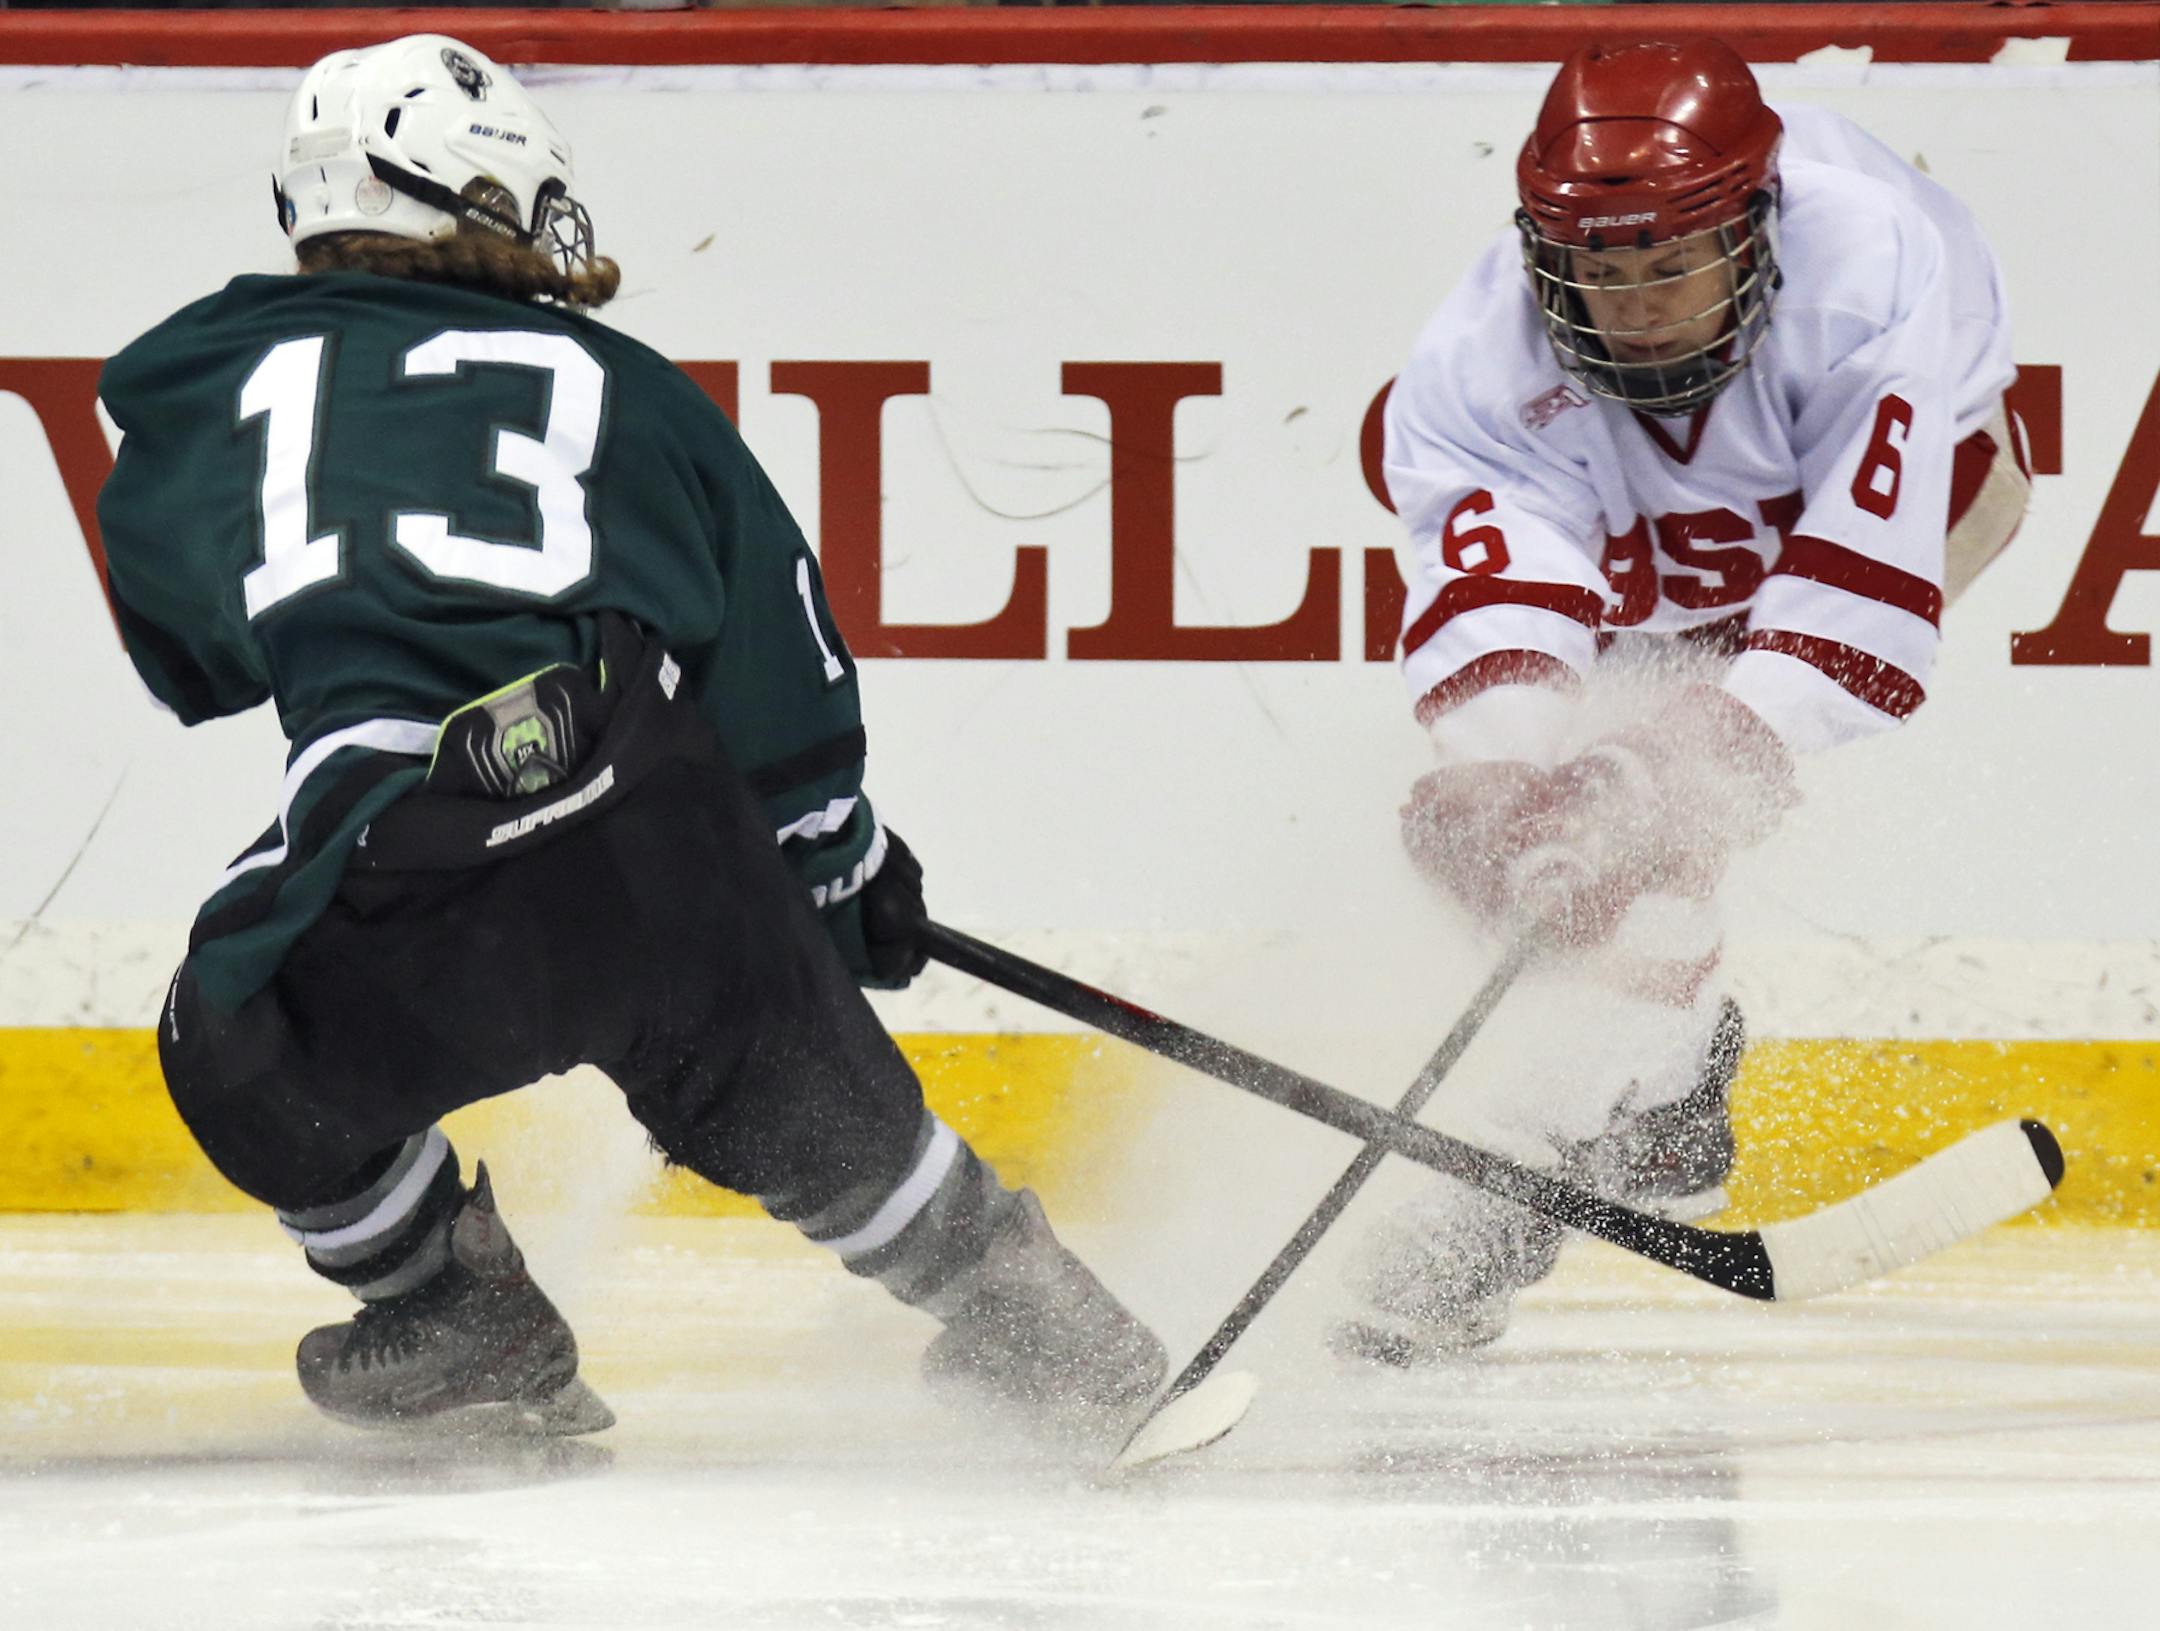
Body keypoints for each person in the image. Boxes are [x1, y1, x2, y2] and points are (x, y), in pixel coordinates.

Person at [96, 34, 1165, 1437]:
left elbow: (189, 647)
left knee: (225, 1030)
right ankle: (1046, 1327)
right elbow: (779, 673)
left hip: (404, 860)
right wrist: (840, 878)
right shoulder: (628, 385)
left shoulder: (198, 378)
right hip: (645, 813)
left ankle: (445, 1303)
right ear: (465, 189)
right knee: (782, 1059)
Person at [1345, 39, 2028, 1363]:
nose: (1637, 302)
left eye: (1670, 263)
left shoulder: (1867, 270)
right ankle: (1667, 1090)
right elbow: (1506, 600)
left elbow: (1851, 602)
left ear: (1756, 229)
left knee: (1672, 801)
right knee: (1581, 814)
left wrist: (1659, 786)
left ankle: (1520, 1180)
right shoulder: (1477, 361)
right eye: (1600, 270)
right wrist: (1501, 791)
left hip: (1921, 476)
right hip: (1653, 525)